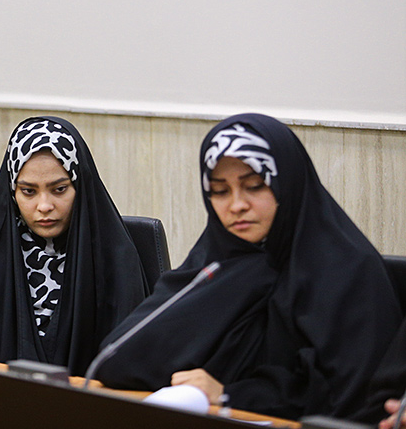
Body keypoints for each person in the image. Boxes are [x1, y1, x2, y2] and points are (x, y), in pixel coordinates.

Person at [94, 113, 401, 420]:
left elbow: (347, 398)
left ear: (288, 185)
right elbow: (119, 360)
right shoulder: (217, 264)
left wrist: (231, 394)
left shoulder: (347, 272)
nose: (237, 205)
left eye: (254, 186)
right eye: (220, 191)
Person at [0, 117, 149, 375]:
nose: (44, 206)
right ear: (12, 193)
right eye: (28, 191)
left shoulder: (115, 261)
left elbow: (129, 365)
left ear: (80, 187)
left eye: (59, 189)